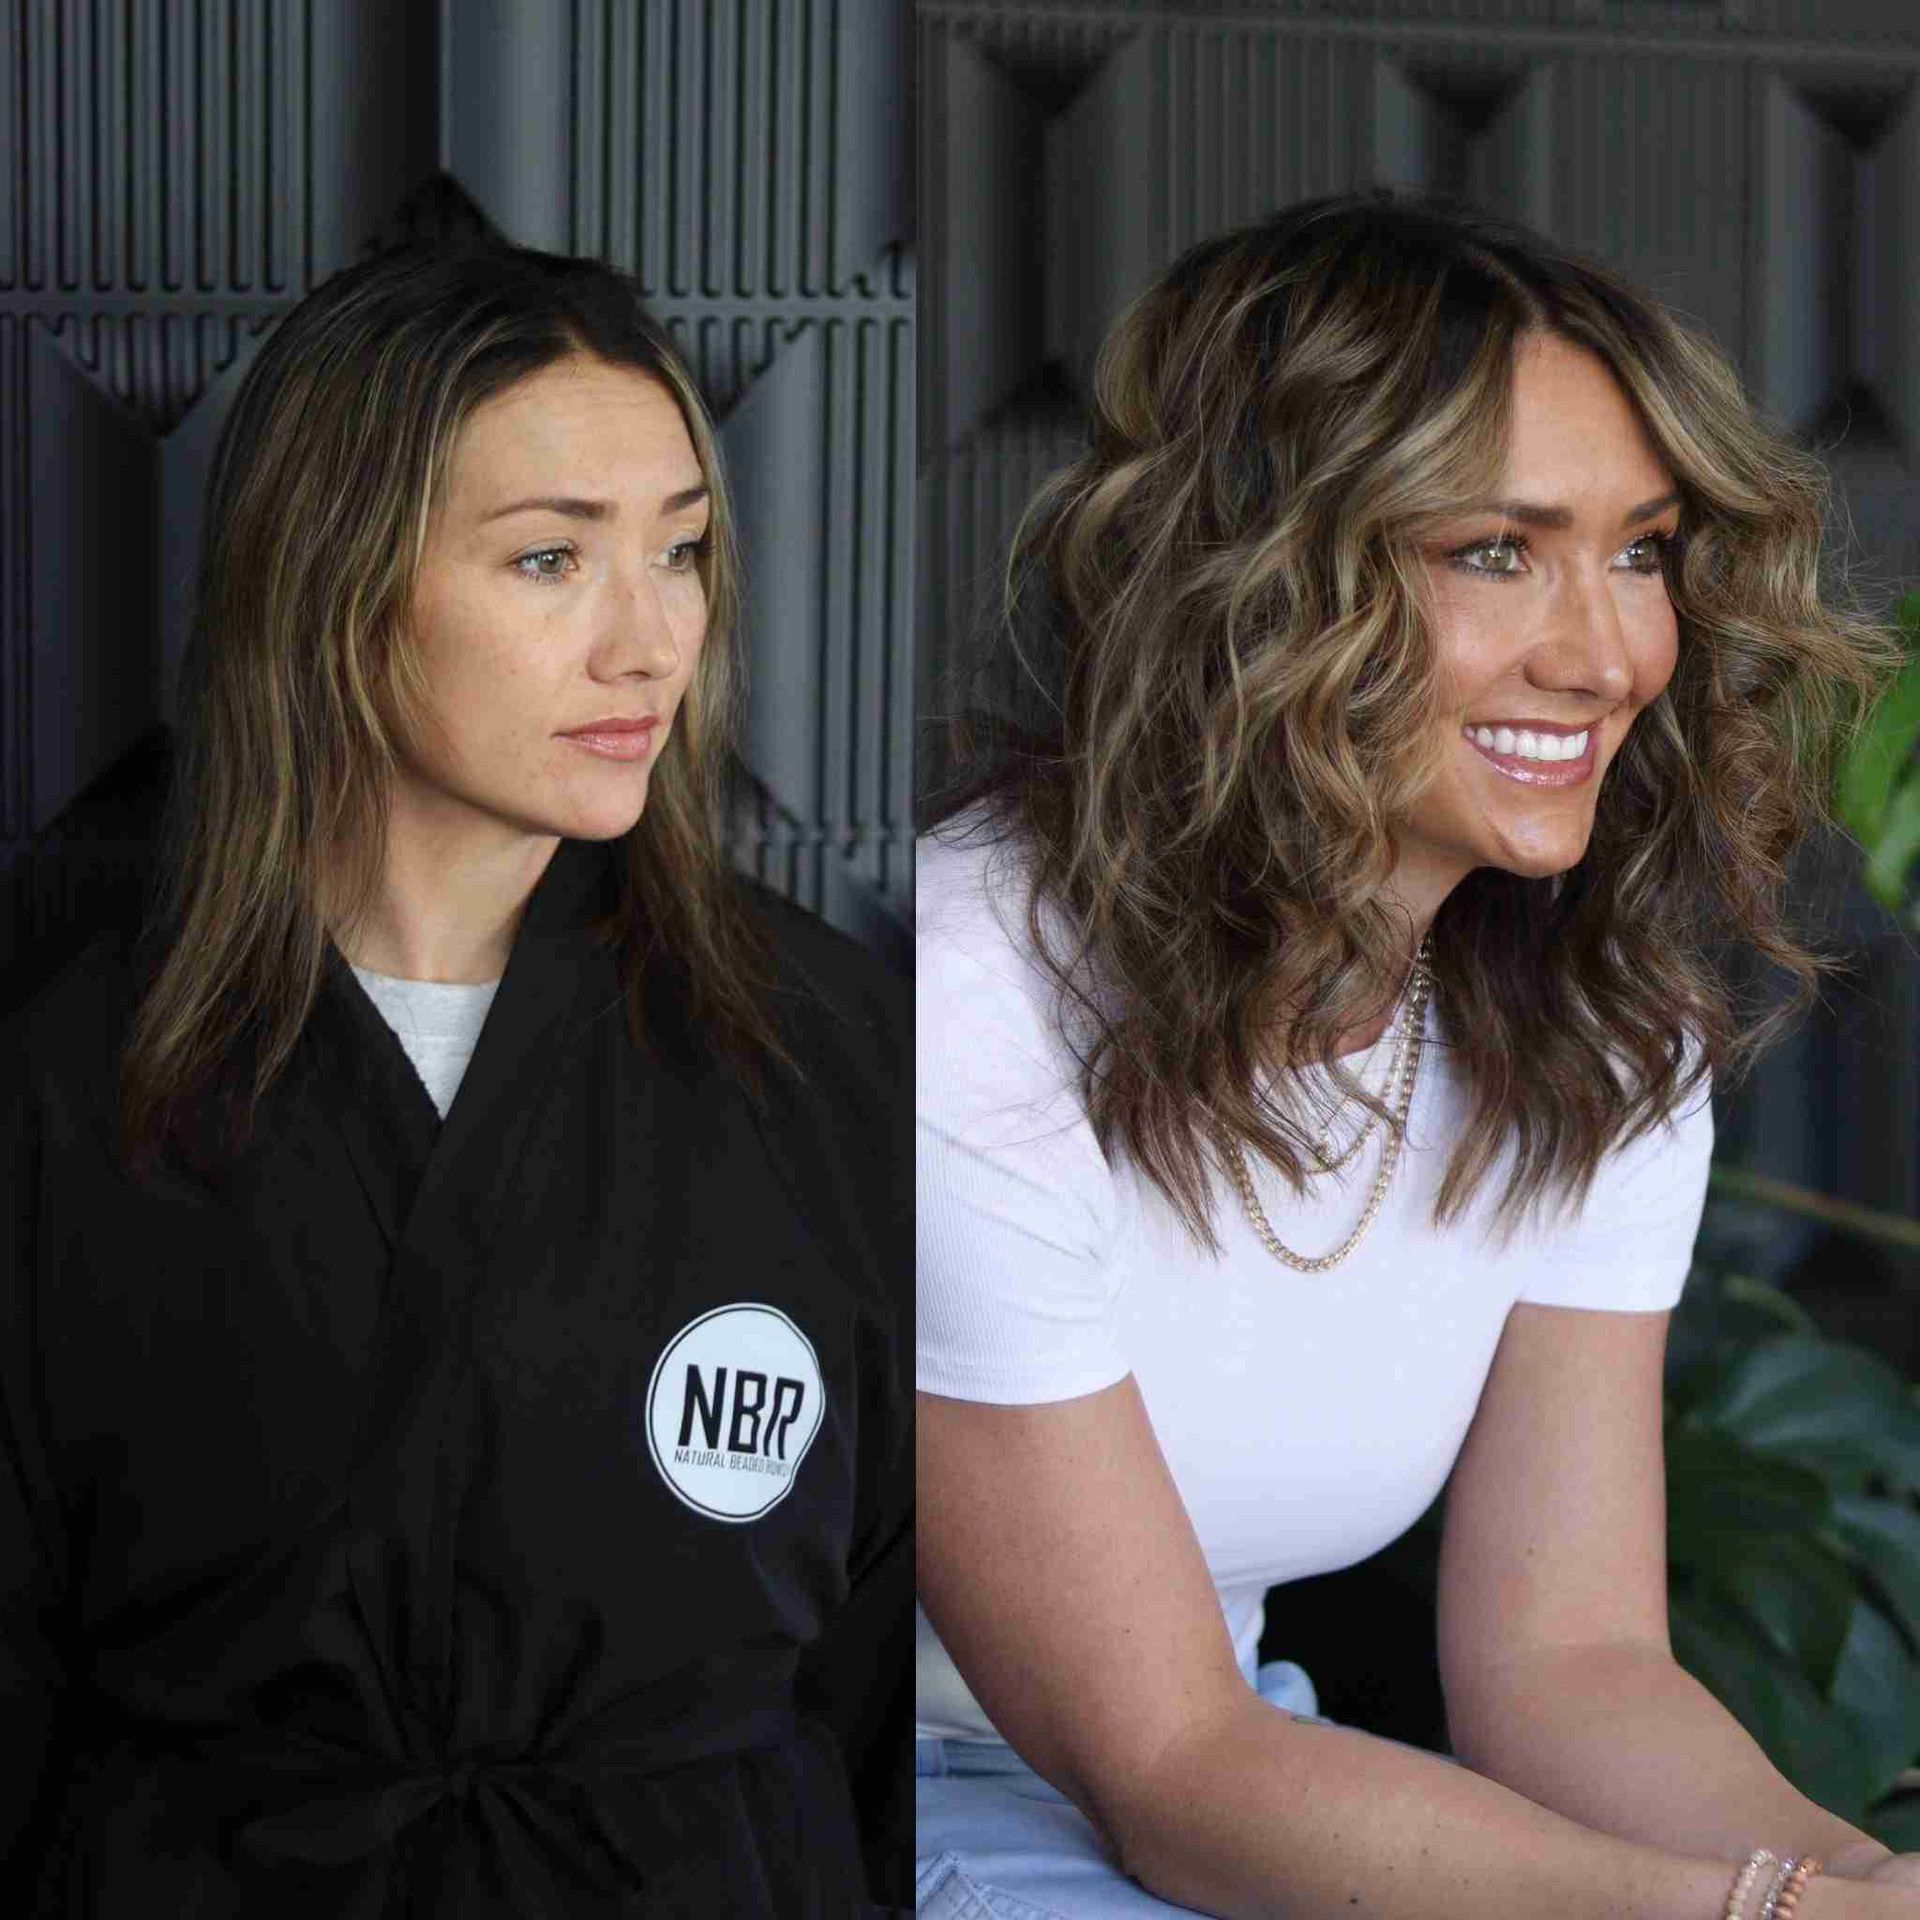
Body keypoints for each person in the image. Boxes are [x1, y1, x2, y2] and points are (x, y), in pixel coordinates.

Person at [915, 190, 1920, 1919]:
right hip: (849, 1792)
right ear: (1255, 580)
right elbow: (1161, 1769)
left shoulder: (1602, 1036)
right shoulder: (968, 1006)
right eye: (1494, 552)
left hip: (1240, 1775)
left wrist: (1848, 1875)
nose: (1607, 652)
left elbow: (1571, 1666)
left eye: (1641, 550)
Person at [0, 238, 910, 1917]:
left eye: (685, 553)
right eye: (553, 559)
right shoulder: (69, 1093)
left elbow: (875, 1680)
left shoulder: (830, 1054)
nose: (653, 644)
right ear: (335, 581)